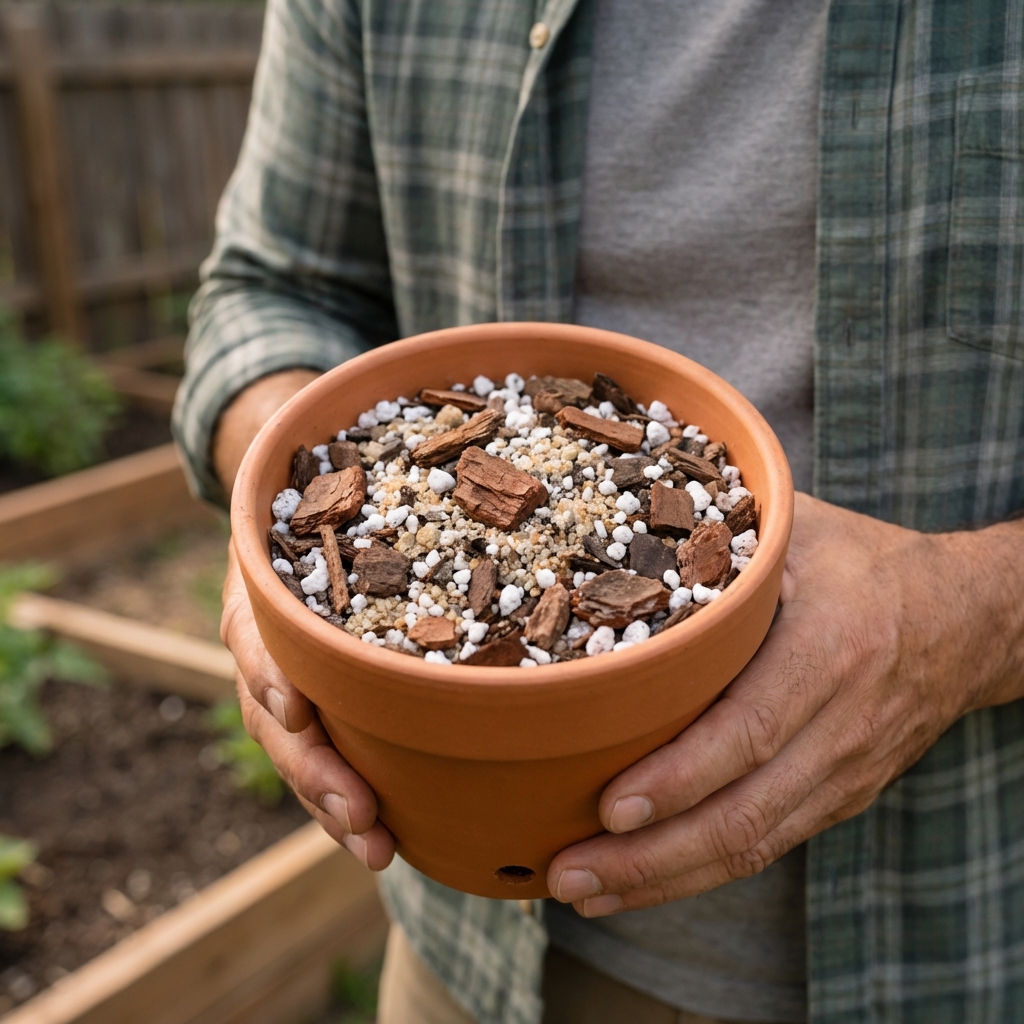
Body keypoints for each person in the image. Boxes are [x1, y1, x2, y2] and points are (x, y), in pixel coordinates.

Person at [173, 0, 1024, 1021]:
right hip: (467, 955)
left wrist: (965, 616)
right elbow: (269, 290)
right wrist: (279, 513)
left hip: (961, 942)